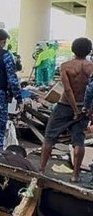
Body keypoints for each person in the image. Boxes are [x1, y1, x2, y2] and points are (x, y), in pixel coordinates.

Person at [39, 37, 93, 182]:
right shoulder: (91, 67)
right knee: (79, 139)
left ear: (73, 50)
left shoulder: (65, 66)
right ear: (89, 50)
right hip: (84, 106)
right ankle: (75, 175)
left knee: (49, 137)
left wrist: (74, 109)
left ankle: (41, 170)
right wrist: (88, 109)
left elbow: (68, 90)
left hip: (64, 106)